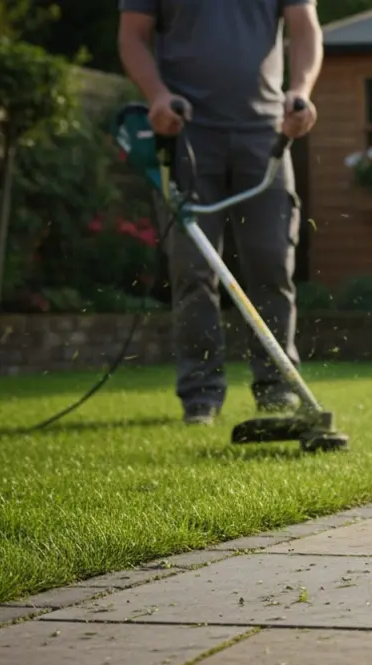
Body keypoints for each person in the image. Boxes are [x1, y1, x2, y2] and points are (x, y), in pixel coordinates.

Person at [117, 0, 323, 425]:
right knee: (193, 273)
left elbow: (305, 30)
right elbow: (132, 36)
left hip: (265, 135)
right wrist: (157, 95)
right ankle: (201, 397)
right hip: (187, 132)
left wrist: (300, 90)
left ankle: (278, 389)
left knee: (271, 267)